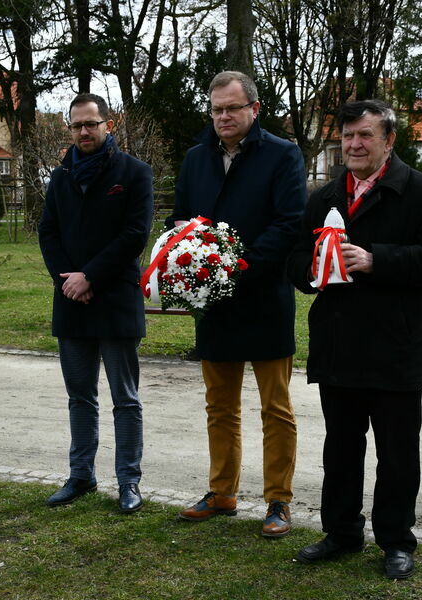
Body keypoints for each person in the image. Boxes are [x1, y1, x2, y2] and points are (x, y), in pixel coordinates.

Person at [286, 99, 422, 578]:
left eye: (365, 136)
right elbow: (294, 260)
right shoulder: (323, 197)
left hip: (394, 346)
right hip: (338, 344)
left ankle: (396, 541)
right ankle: (341, 533)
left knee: (397, 456)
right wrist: (312, 271)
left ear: (390, 140)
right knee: (340, 450)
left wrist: (376, 259)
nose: (354, 145)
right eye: (347, 137)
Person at [167, 71, 306, 537]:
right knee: (219, 406)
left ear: (254, 109)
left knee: (276, 408)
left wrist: (237, 268)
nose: (223, 117)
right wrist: (186, 250)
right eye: (216, 109)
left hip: (264, 295)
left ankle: (278, 501)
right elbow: (178, 218)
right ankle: (222, 490)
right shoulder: (195, 159)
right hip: (215, 303)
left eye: (232, 108)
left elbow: (289, 224)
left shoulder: (283, 154)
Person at [38, 93, 153, 514]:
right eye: (76, 125)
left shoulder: (135, 173)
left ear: (109, 124)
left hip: (116, 299)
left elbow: (135, 234)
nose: (84, 132)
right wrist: (69, 280)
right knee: (80, 397)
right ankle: (81, 475)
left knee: (125, 398)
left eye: (91, 123)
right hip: (71, 301)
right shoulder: (60, 176)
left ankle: (129, 481)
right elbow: (48, 232)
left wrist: (91, 276)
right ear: (69, 129)